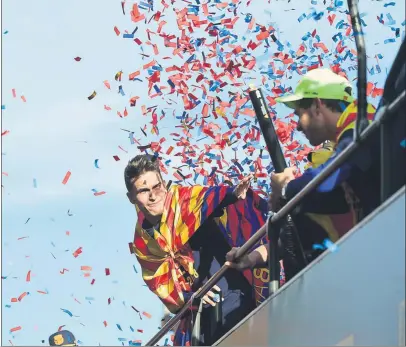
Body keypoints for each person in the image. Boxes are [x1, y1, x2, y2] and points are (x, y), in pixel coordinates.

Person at [226, 68, 378, 278]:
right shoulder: (347, 141)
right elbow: (304, 229)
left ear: (317, 106)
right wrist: (252, 257)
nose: (297, 126)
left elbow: (326, 181)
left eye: (299, 114)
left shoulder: (362, 127)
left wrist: (287, 189)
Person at [126, 154, 278, 346]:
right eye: (143, 190)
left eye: (157, 186)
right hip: (200, 322)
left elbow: (211, 199)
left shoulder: (184, 201)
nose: (153, 195)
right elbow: (162, 285)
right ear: (131, 197)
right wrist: (191, 297)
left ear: (164, 184)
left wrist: (233, 193)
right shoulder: (142, 243)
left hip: (235, 300)